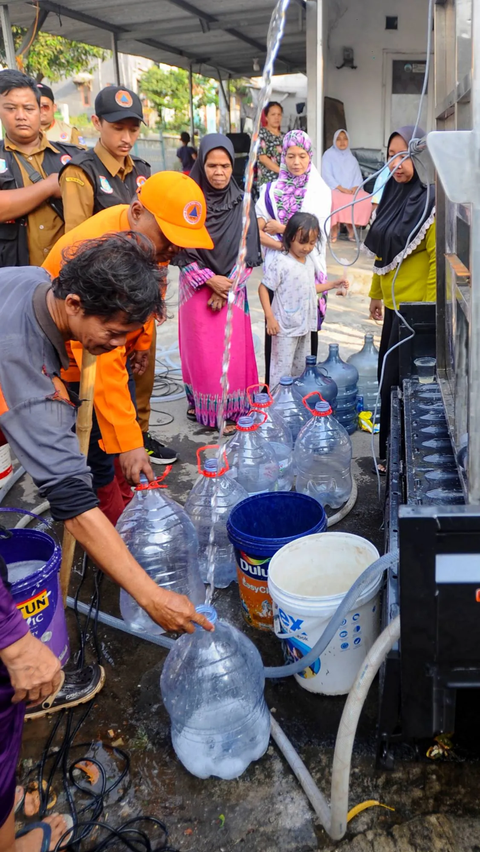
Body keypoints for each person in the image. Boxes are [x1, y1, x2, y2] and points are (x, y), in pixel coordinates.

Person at [0, 234, 213, 851]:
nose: (114, 347)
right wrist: (151, 597)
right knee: (8, 678)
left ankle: (9, 802)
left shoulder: (21, 285)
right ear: (71, 303)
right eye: (112, 333)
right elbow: (74, 505)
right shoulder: (30, 378)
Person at [44, 171, 213, 523]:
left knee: (125, 429)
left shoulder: (145, 242)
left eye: (181, 240)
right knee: (97, 449)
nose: (174, 248)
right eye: (168, 236)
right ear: (137, 211)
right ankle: (110, 524)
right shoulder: (102, 250)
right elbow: (100, 361)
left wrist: (141, 344)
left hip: (108, 350)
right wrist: (130, 442)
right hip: (71, 358)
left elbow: (147, 302)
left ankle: (127, 496)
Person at [173, 133, 261, 433]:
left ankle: (233, 408)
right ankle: (207, 409)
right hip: (197, 291)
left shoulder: (243, 202)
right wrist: (211, 281)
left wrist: (228, 287)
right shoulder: (189, 204)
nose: (219, 172)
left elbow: (249, 251)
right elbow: (182, 250)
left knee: (232, 353)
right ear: (201, 164)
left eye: (225, 165)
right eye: (212, 165)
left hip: (232, 291)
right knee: (204, 354)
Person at [363, 125, 436, 472]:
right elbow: (381, 250)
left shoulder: (432, 200)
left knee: (406, 384)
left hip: (414, 313)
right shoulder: (391, 194)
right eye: (392, 155)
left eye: (406, 154)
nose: (398, 163)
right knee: (386, 380)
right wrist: (375, 294)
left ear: (420, 155)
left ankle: (403, 457)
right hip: (392, 309)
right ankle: (387, 455)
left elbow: (436, 261)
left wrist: (427, 311)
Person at [256, 130, 344, 383]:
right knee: (276, 334)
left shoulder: (319, 190)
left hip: (308, 267)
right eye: (290, 156)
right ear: (282, 157)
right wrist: (283, 245)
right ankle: (273, 392)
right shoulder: (271, 190)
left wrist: (283, 230)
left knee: (307, 334)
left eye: (302, 156)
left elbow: (316, 232)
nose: (296, 162)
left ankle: (304, 389)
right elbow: (259, 228)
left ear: (310, 157)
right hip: (278, 269)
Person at [0, 69, 82, 267]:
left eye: (29, 108)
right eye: (10, 108)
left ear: (40, 110)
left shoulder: (74, 157)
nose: (20, 116)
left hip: (67, 275)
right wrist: (48, 186)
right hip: (14, 275)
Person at [259, 212, 347, 389]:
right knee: (281, 371)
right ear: (290, 237)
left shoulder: (308, 262)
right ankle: (278, 406)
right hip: (284, 328)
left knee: (300, 370)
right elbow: (263, 288)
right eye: (302, 242)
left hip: (304, 326)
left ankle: (296, 406)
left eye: (312, 243)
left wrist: (332, 284)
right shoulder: (281, 262)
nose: (307, 247)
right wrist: (270, 317)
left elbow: (308, 289)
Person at [322, 129, 373, 242]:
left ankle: (351, 227)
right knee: (334, 199)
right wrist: (341, 188)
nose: (342, 142)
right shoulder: (328, 155)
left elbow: (358, 178)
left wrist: (355, 188)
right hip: (334, 189)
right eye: (339, 139)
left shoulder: (352, 158)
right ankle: (334, 229)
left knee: (366, 198)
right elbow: (327, 175)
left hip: (350, 190)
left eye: (345, 139)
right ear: (334, 141)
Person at [257, 101, 284, 187]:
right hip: (268, 182)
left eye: (279, 114)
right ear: (266, 117)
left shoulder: (284, 136)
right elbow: (263, 158)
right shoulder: (262, 133)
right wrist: (282, 171)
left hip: (283, 181)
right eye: (273, 114)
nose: (277, 117)